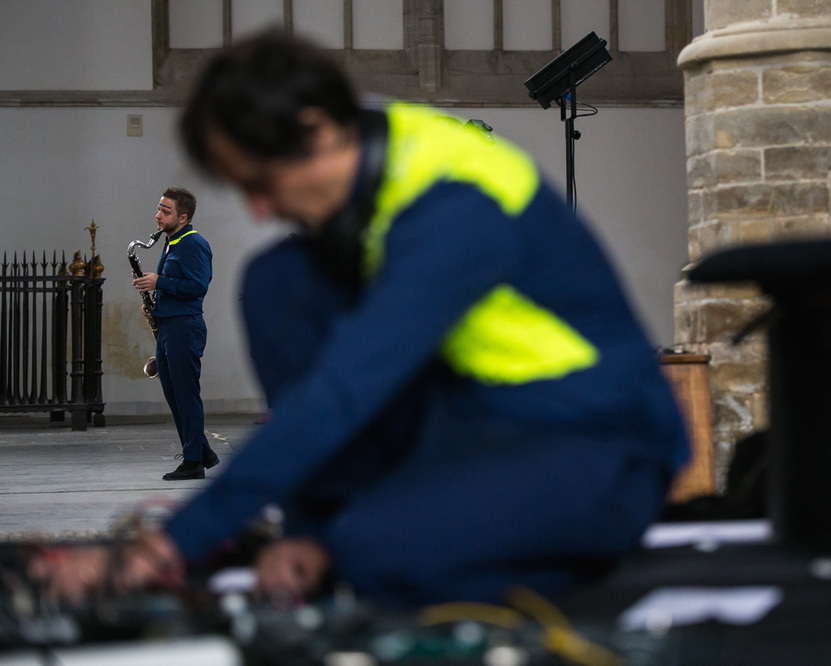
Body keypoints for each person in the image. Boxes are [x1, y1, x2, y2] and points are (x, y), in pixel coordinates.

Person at [34, 31, 688, 607]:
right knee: (277, 279)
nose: (259, 209)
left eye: (262, 181)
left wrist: (167, 547)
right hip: (475, 421)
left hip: (594, 441)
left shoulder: (453, 204)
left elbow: (345, 388)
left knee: (371, 550)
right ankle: (332, 530)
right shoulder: (366, 157)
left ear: (316, 130)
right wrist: (306, 529)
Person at [132, 187, 218, 480]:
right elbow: (176, 285)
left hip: (184, 328)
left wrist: (160, 282)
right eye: (159, 208)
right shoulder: (173, 242)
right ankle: (203, 452)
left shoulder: (193, 244)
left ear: (183, 217)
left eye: (165, 211)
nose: (158, 215)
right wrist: (156, 308)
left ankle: (193, 462)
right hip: (169, 324)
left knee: (186, 396)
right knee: (174, 396)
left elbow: (198, 287)